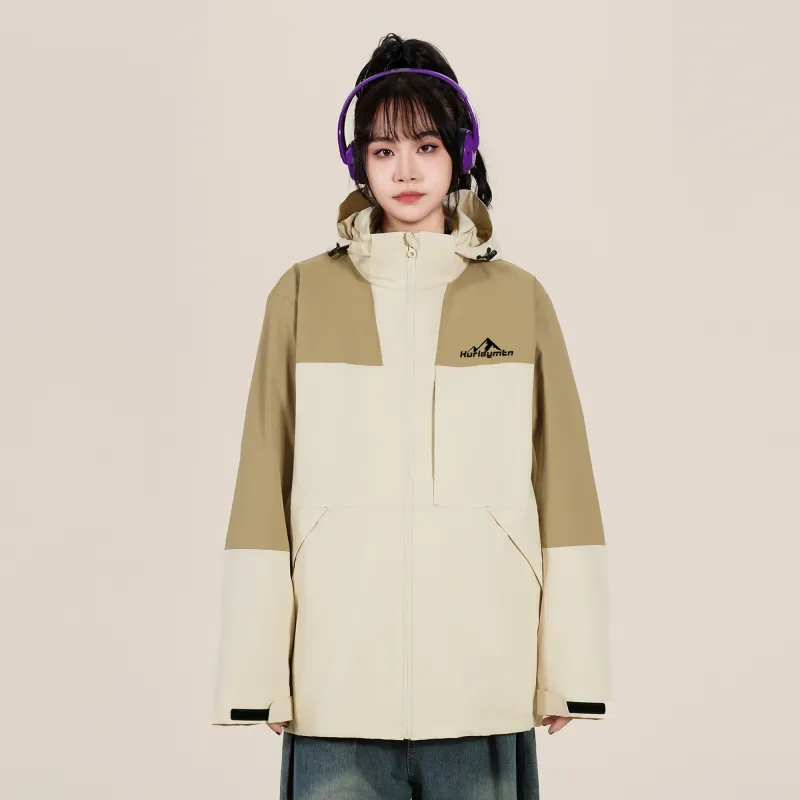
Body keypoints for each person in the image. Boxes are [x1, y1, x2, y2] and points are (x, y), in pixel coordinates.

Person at [211, 32, 612, 800]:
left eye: (425, 146)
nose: (405, 169)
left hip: (480, 677)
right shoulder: (300, 296)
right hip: (336, 681)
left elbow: (566, 485)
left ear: (459, 153)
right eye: (384, 148)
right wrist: (256, 673)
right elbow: (262, 482)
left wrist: (571, 668)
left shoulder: (519, 300)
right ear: (358, 160)